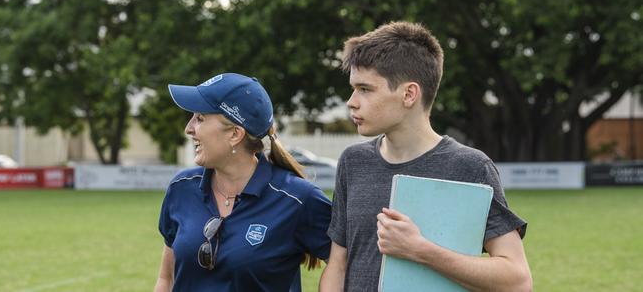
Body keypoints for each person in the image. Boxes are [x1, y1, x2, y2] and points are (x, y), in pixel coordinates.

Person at [319, 22, 532, 292]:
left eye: (365, 89)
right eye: (353, 88)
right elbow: (338, 264)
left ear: (409, 94)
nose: (351, 101)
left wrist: (420, 250)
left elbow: (517, 280)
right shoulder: (353, 161)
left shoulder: (471, 167)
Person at [154, 73, 332, 292]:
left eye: (200, 118)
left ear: (235, 134)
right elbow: (166, 280)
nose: (189, 128)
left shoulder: (299, 199)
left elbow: (345, 263)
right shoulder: (181, 188)